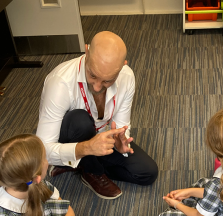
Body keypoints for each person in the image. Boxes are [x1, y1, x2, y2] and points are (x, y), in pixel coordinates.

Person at [36, 31, 158, 200]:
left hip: (100, 138)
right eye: (92, 75)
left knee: (147, 173)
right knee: (79, 120)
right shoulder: (60, 82)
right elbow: (41, 151)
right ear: (86, 51)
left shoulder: (127, 76)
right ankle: (90, 168)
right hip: (70, 136)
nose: (98, 86)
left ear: (122, 66)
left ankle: (76, 164)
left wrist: (119, 142)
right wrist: (86, 148)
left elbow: (122, 124)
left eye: (107, 80)